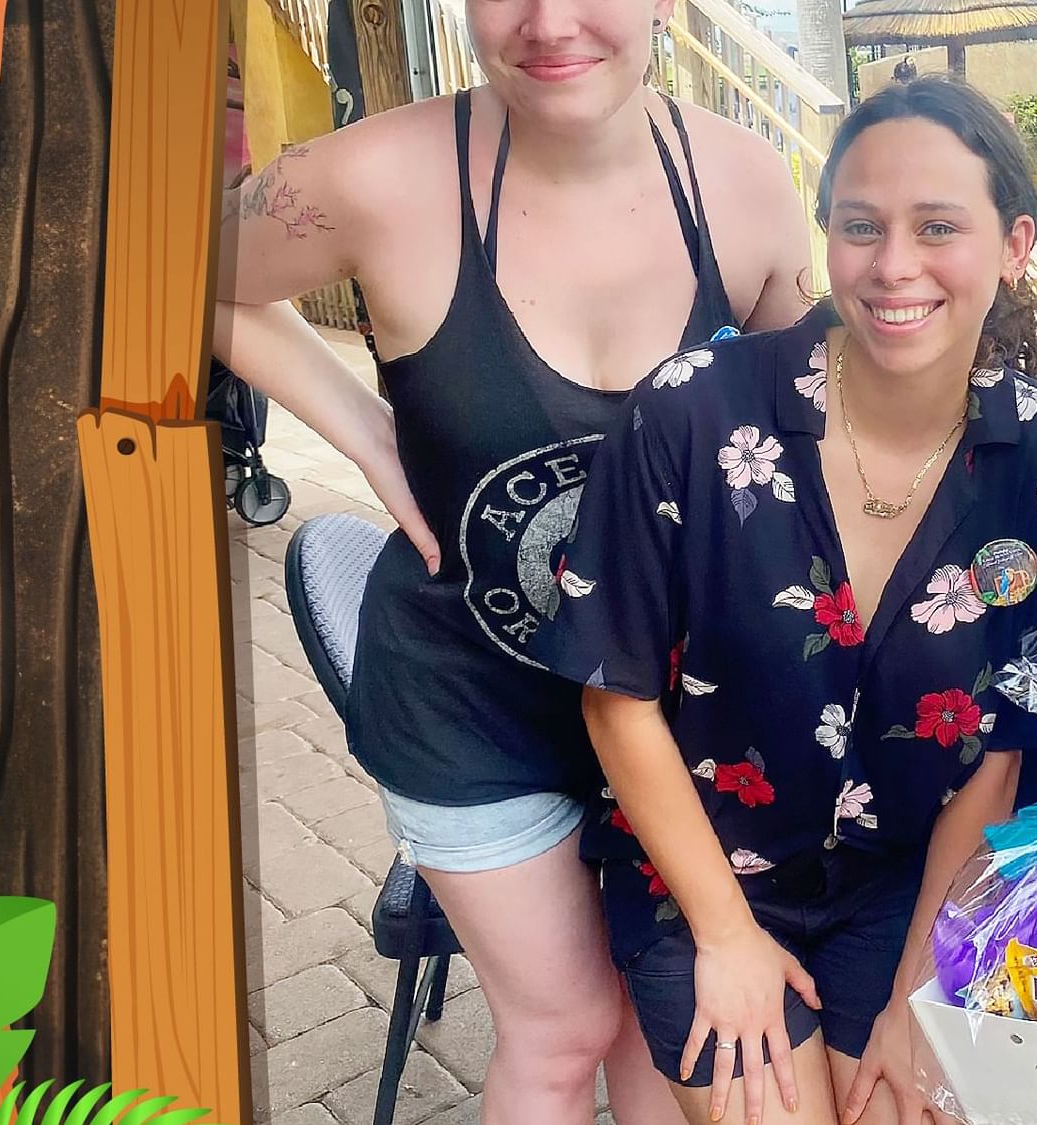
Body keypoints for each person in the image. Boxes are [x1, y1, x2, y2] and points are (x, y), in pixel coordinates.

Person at [211, 0, 815, 1118]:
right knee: (561, 1027)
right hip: (464, 699)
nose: (549, 22)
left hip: (668, 711)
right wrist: (370, 433)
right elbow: (177, 272)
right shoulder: (371, 178)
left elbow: (810, 421)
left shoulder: (744, 186)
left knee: (656, 1007)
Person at [536, 76, 1037, 1125]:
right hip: (697, 875)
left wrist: (915, 995)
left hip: (907, 888)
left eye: (938, 228)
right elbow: (613, 691)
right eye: (860, 227)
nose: (893, 267)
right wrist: (722, 935)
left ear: (1014, 244)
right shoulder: (693, 412)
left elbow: (1000, 756)